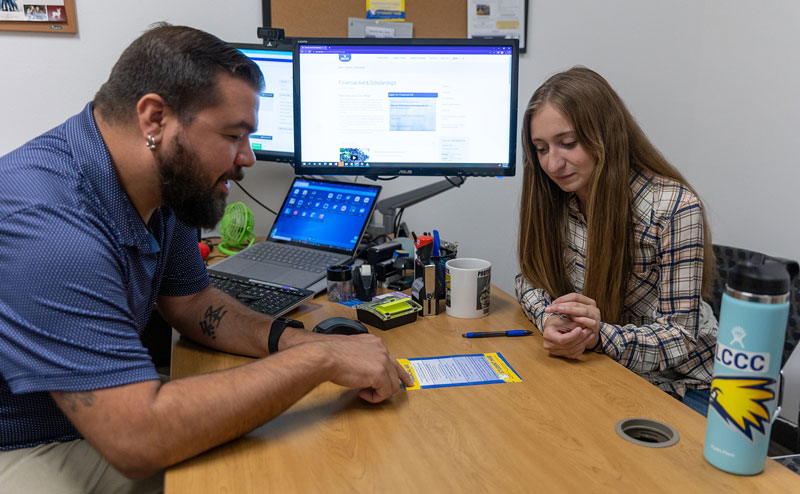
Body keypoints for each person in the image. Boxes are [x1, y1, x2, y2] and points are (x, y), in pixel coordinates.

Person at [0, 24, 412, 493]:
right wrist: (317, 360)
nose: (248, 157)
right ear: (155, 119)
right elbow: (138, 440)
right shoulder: (50, 226)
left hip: (95, 415)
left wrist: (293, 342)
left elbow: (191, 301)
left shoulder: (161, 187)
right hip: (26, 443)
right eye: (234, 134)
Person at [514, 67, 717, 416]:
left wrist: (597, 336)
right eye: (541, 148)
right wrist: (550, 318)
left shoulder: (673, 208)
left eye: (568, 143)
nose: (552, 163)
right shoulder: (559, 197)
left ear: (604, 135)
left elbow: (680, 337)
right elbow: (529, 280)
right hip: (607, 368)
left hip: (686, 384)